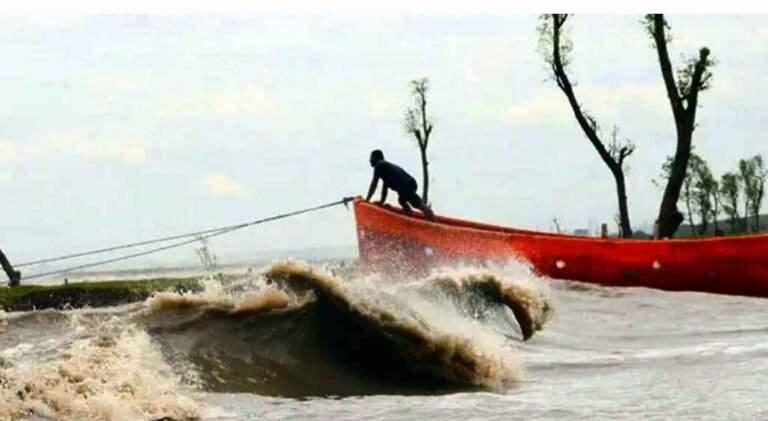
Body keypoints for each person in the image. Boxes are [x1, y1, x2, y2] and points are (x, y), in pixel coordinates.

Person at [365, 149, 436, 221]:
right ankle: (411, 218)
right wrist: (381, 202)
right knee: (405, 201)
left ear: (376, 158)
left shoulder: (379, 165)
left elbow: (374, 184)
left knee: (411, 203)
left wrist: (367, 200)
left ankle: (430, 223)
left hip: (405, 185)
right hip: (408, 184)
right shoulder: (385, 168)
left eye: (371, 157)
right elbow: (384, 190)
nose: (370, 160)